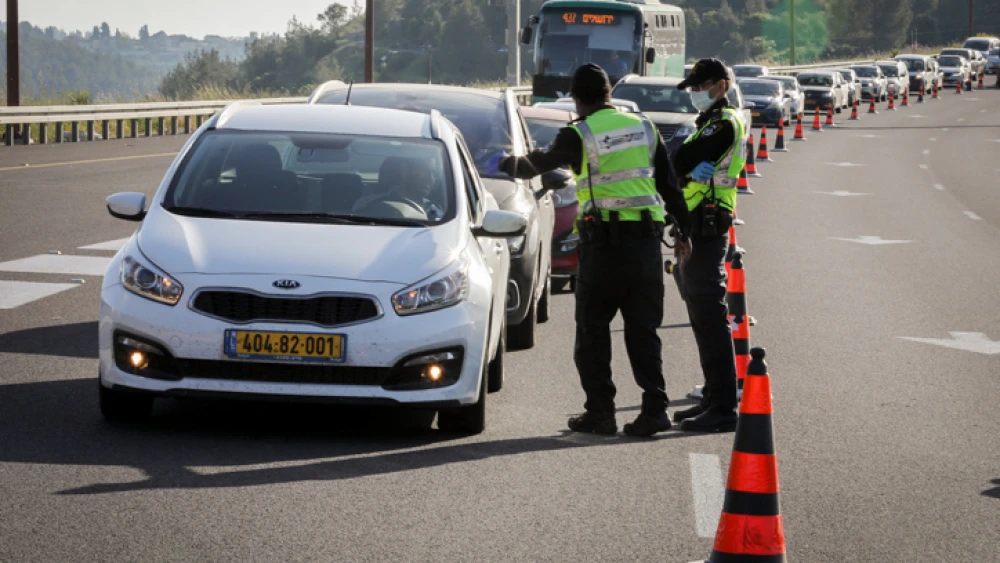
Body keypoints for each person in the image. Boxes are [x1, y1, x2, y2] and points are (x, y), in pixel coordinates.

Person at [487, 63, 692, 437]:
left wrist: (499, 161)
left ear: (577, 99)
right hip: (646, 246)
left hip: (605, 252)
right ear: (609, 93)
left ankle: (601, 413)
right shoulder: (643, 127)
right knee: (644, 331)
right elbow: (669, 184)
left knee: (593, 333)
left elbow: (533, 165)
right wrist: (684, 231)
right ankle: (655, 409)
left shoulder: (578, 133)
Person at [669, 58, 746, 433]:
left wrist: (680, 165)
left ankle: (723, 408)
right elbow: (678, 161)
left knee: (709, 318)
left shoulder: (723, 123)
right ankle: (715, 399)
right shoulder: (708, 123)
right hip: (695, 225)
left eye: (701, 87)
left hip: (708, 225)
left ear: (720, 84)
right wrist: (681, 166)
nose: (696, 94)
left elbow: (678, 158)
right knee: (701, 317)